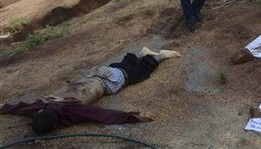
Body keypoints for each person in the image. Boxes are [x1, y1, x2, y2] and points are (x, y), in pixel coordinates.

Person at [1, 47, 181, 133]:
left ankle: (159, 56)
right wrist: (4, 107)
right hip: (95, 73)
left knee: (138, 74)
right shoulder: (45, 102)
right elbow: (22, 107)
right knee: (121, 66)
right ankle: (140, 53)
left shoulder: (70, 110)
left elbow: (100, 114)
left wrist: (133, 116)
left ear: (55, 125)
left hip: (108, 81)